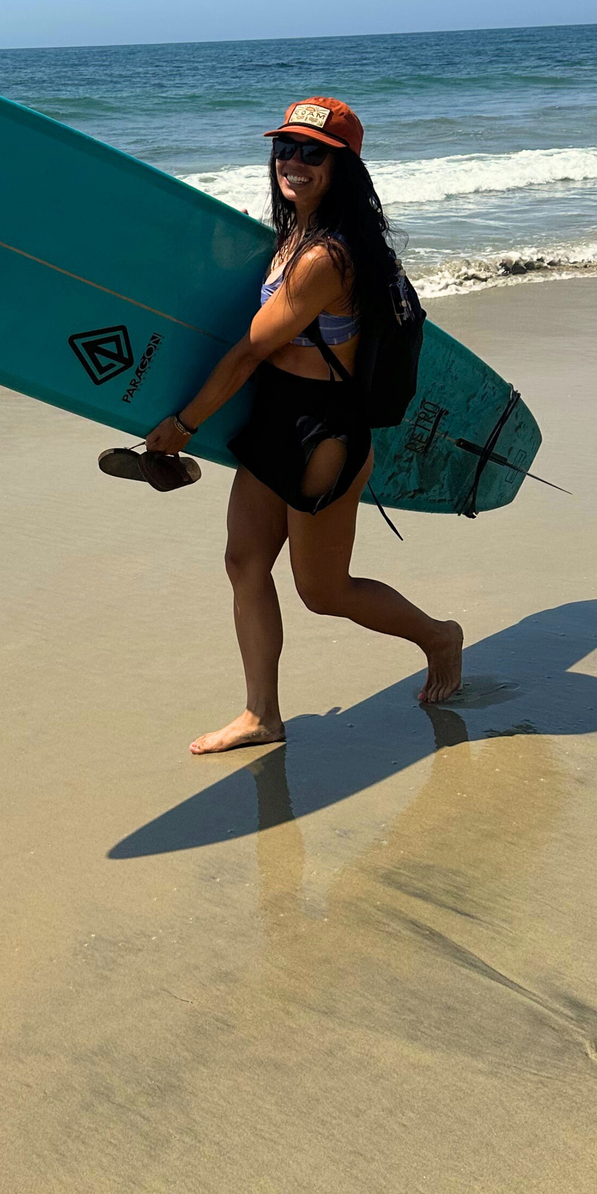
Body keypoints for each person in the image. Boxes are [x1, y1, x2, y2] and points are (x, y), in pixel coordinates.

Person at [145, 98, 463, 753]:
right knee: (243, 562)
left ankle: (439, 635)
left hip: (324, 430)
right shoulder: (294, 234)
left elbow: (250, 351)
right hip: (275, 414)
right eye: (285, 148)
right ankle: (262, 713)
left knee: (323, 591)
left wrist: (182, 423)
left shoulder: (327, 258)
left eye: (311, 152)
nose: (293, 161)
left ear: (343, 166)